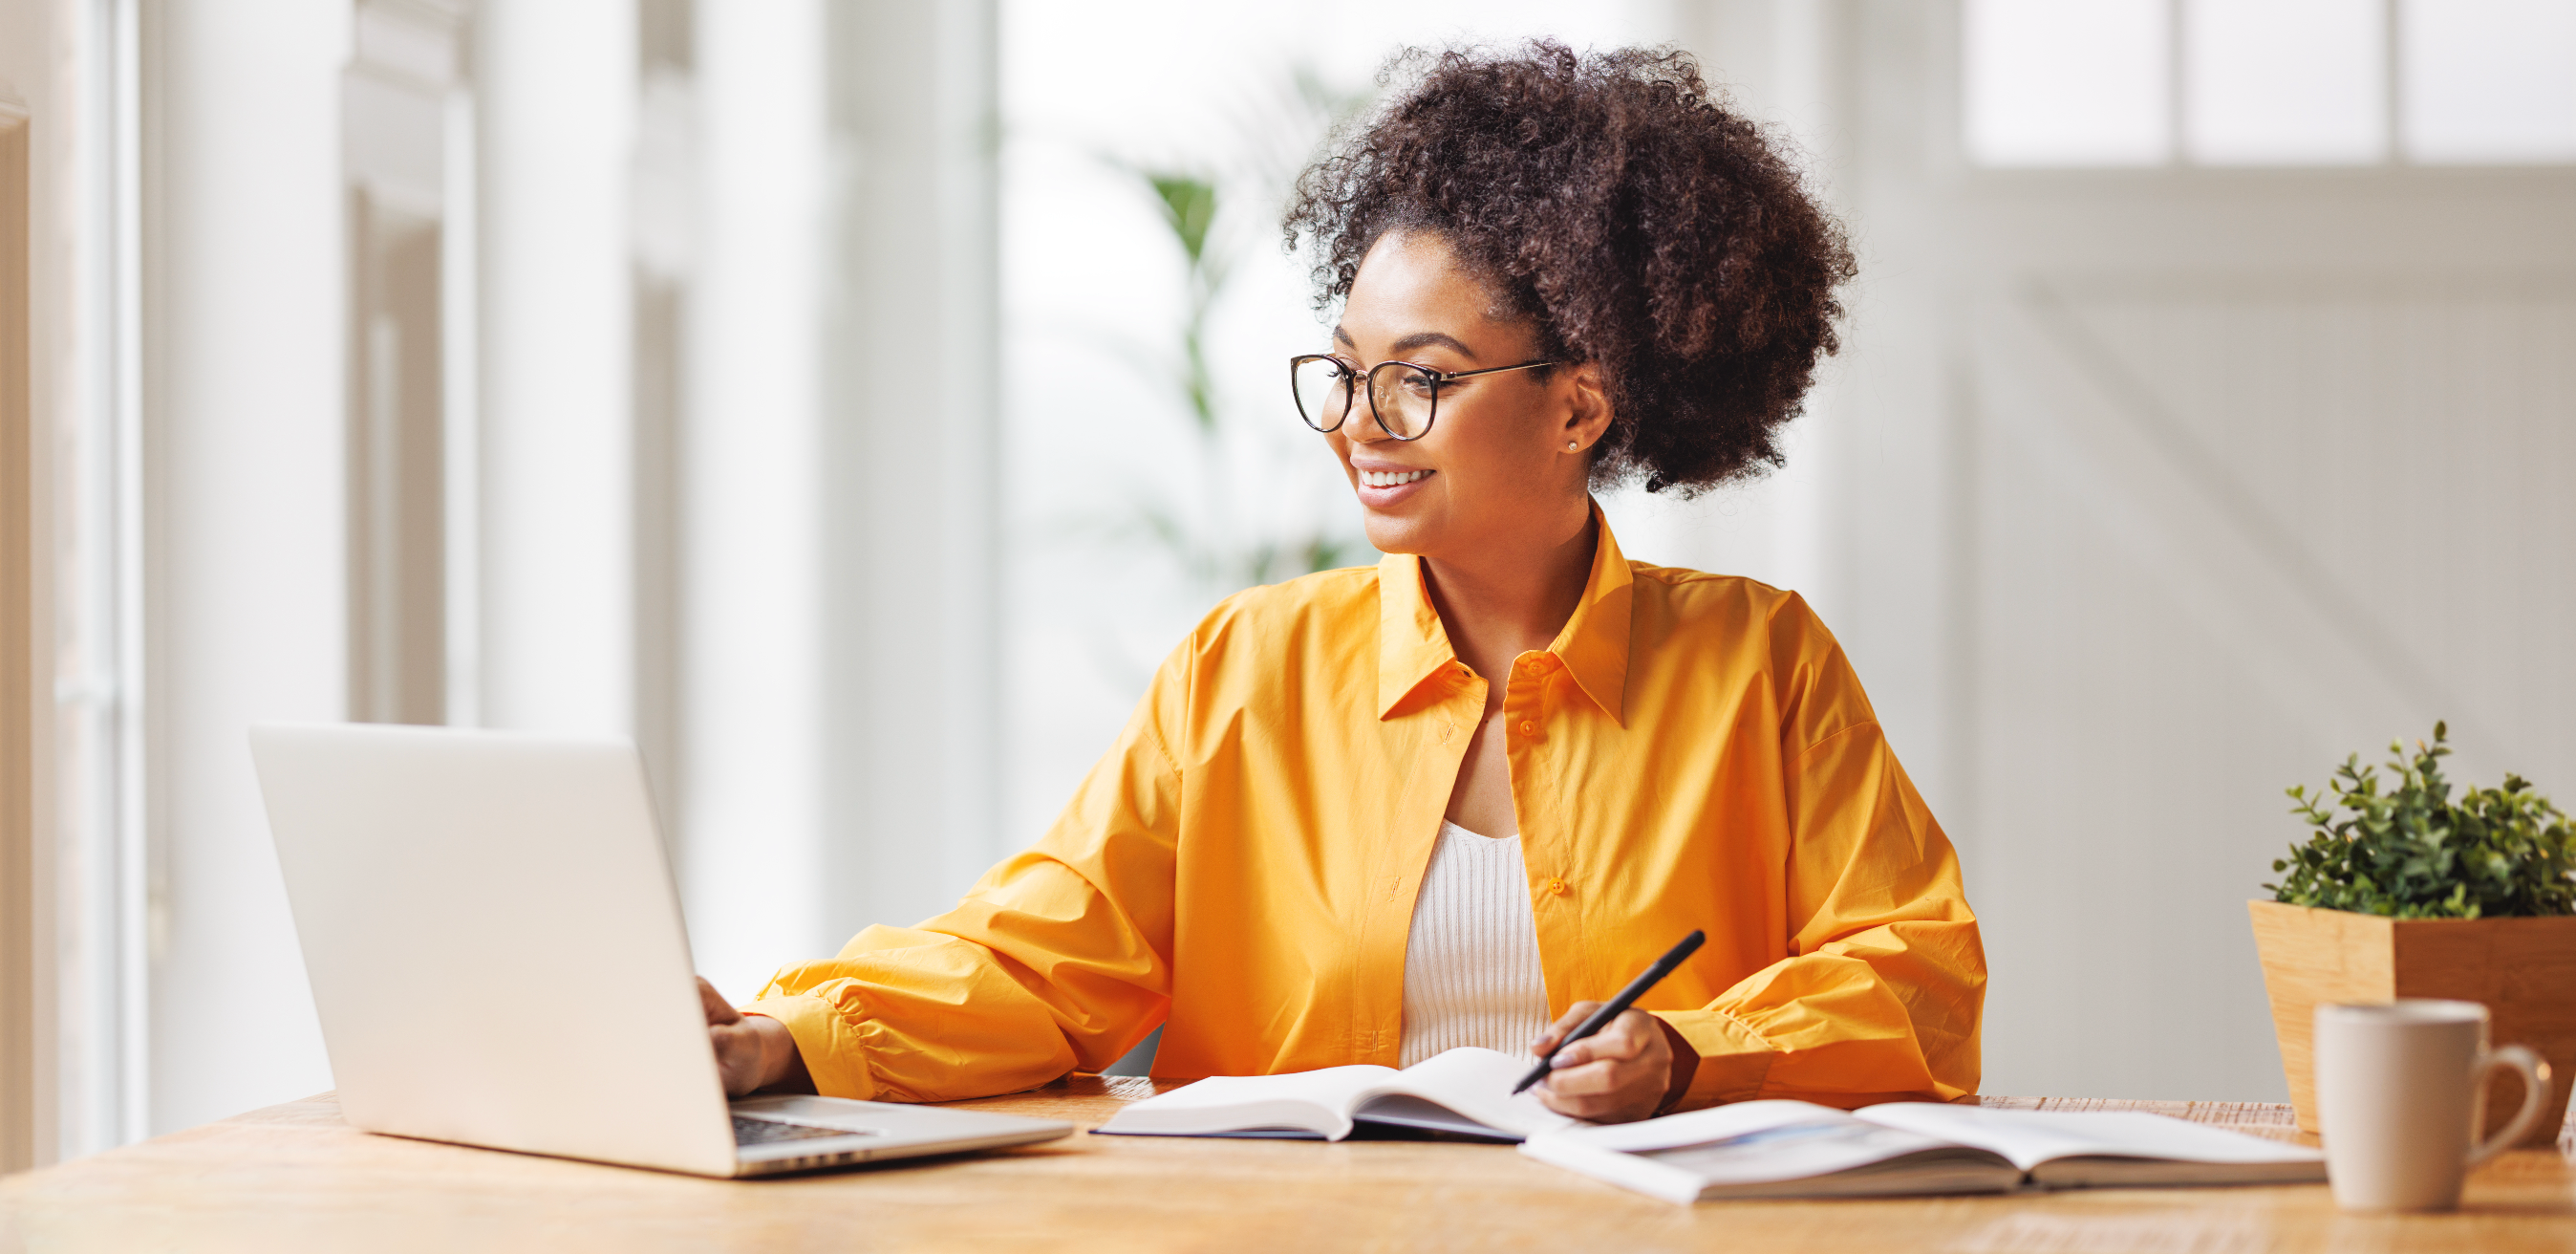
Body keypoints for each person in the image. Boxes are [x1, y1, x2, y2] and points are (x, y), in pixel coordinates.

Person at [698, 41, 1984, 1125]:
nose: (1358, 423)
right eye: (1345, 369)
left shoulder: (1763, 664)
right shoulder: (1244, 669)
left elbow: (1913, 975)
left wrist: (1696, 1055)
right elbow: (1040, 959)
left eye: (1418, 377)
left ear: (1579, 405)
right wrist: (786, 1036)